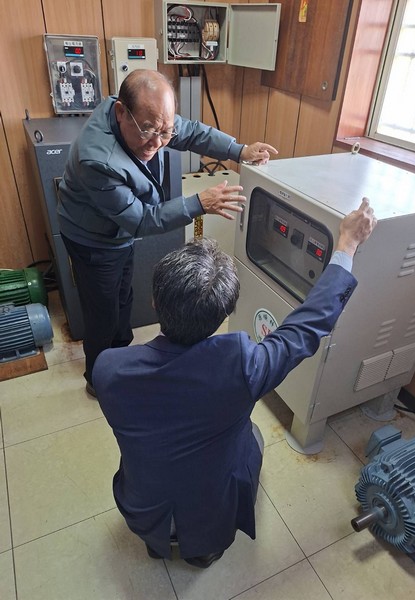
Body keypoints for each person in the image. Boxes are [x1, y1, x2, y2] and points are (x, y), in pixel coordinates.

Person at [92, 198, 377, 569]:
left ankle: (157, 540)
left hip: (142, 508)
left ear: (154, 301)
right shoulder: (244, 367)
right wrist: (347, 246)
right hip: (209, 517)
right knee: (252, 434)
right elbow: (306, 327)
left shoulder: (108, 370)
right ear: (222, 314)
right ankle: (203, 550)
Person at [57, 69, 278, 396]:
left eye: (165, 132)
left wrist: (239, 150)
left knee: (123, 296)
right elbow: (142, 220)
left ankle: (121, 355)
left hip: (119, 233)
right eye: (149, 130)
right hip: (92, 239)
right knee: (102, 312)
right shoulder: (98, 160)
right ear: (121, 112)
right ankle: (98, 379)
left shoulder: (150, 118)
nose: (157, 142)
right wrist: (200, 203)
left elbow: (192, 132)